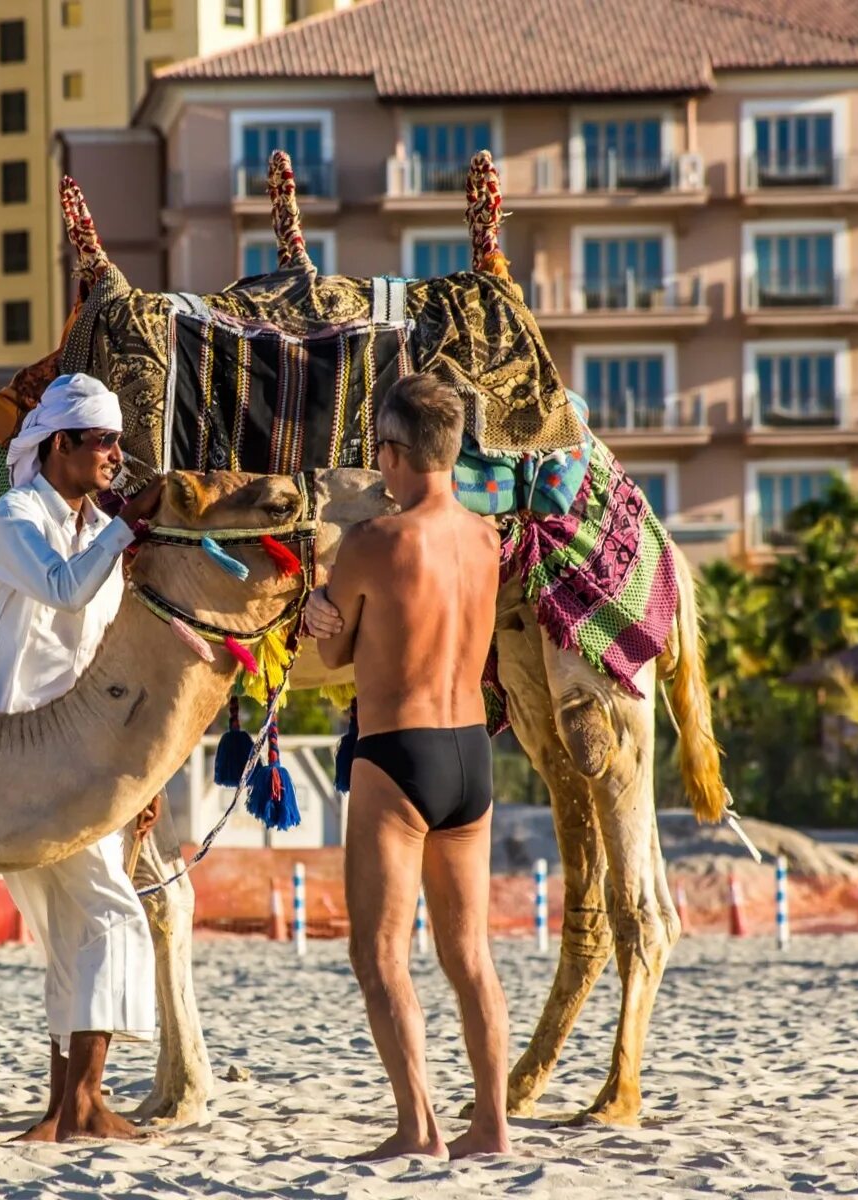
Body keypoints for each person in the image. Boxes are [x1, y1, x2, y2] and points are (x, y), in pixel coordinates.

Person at [301, 372, 512, 1160]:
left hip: (397, 754)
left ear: (391, 453)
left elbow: (338, 650)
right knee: (470, 956)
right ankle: (491, 1124)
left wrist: (324, 609)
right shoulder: (487, 539)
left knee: (379, 952)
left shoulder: (372, 543)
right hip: (470, 755)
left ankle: (416, 1126)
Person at [0, 372, 165, 1141]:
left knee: (70, 933)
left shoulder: (95, 533)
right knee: (113, 918)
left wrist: (140, 774)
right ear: (58, 446)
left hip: (88, 762)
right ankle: (85, 1103)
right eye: (102, 441)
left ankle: (62, 1110)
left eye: (120, 442)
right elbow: (62, 591)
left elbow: (107, 652)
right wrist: (126, 528)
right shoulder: (12, 516)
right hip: (24, 758)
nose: (117, 455)